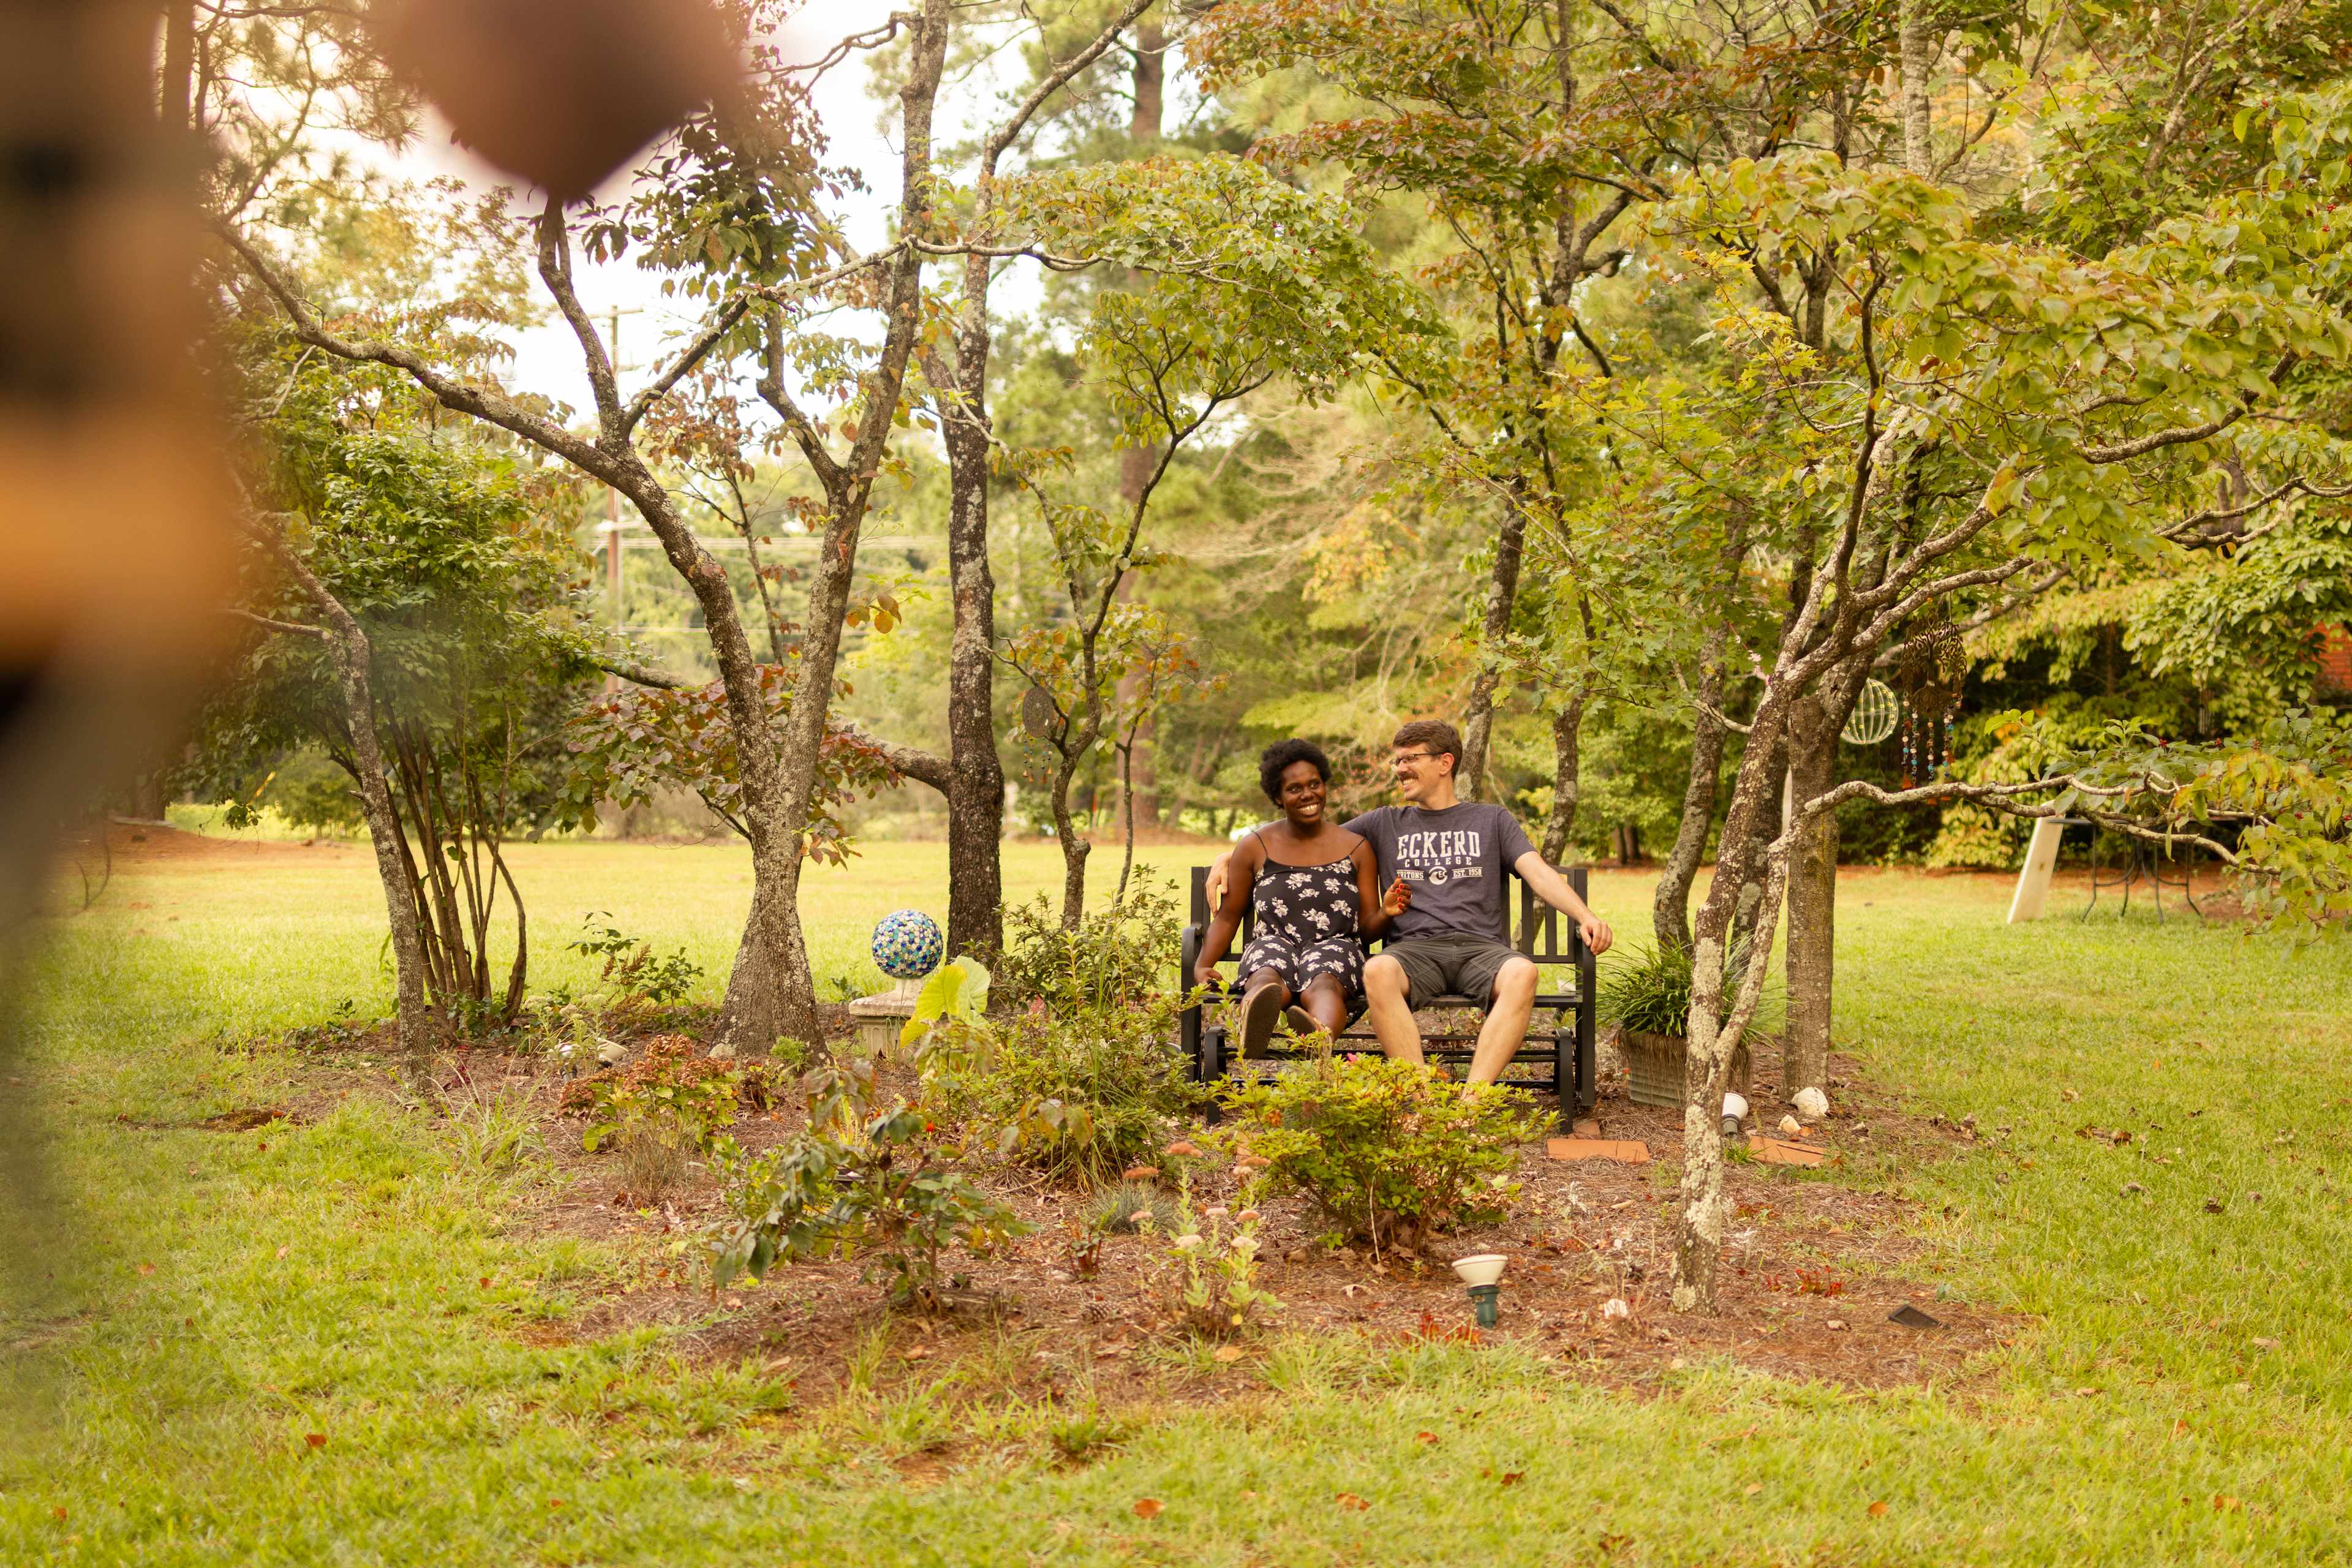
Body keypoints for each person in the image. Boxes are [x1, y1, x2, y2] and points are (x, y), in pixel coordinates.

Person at [1207, 719, 1613, 1085]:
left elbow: (1537, 871)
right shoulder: (1383, 823)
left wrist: (1585, 915)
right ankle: (1418, 1099)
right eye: (1398, 760)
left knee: (1523, 973)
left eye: (1410, 759)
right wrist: (1230, 856)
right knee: (1379, 969)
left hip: (1481, 948)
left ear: (1445, 762)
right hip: (1414, 951)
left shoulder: (1492, 820)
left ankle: (1472, 1104)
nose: (1400, 769)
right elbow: (1304, 841)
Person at [1192, 739, 1408, 1058]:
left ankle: (1317, 1038)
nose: (1308, 795)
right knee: (1266, 977)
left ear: (1324, 787)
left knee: (1324, 983)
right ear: (1278, 797)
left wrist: (1387, 913)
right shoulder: (1255, 846)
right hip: (1273, 942)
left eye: (1314, 784)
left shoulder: (1356, 847)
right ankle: (1254, 1026)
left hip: (1336, 944)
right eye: (1294, 789)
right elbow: (1228, 916)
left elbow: (1368, 929)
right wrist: (1202, 964)